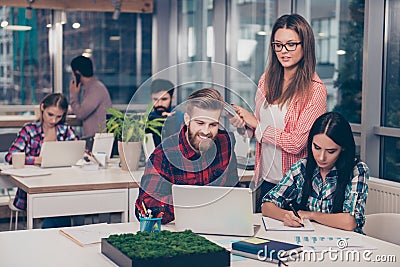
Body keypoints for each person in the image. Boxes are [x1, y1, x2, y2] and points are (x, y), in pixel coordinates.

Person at [232, 14, 327, 212]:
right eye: (278, 45)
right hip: (265, 180)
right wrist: (245, 126)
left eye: (291, 44)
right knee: (261, 239)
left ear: (305, 45)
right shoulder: (266, 80)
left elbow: (297, 143)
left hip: (295, 185)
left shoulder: (315, 90)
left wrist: (257, 125)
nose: (283, 51)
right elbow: (261, 132)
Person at [136, 88, 239, 224]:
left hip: (219, 225)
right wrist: (191, 200)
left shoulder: (225, 143)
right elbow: (144, 208)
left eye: (213, 124)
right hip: (180, 232)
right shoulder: (164, 153)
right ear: (187, 119)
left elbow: (234, 191)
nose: (206, 131)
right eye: (200, 123)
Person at [262, 112, 369, 233]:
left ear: (343, 148)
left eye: (331, 151)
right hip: (309, 241)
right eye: (317, 147)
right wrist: (286, 216)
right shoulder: (302, 167)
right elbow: (267, 206)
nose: (321, 157)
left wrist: (311, 215)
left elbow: (350, 222)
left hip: (345, 244)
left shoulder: (357, 170)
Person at [5, 93, 79, 228]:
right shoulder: (29, 130)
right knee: (60, 210)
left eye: (59, 116)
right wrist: (37, 160)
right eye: (50, 114)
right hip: (34, 189)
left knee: (65, 205)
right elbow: (11, 156)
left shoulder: (65, 130)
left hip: (61, 186)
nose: (53, 120)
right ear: (42, 108)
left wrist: (84, 156)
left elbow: (78, 152)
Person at [69, 55, 112, 138]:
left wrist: (73, 94)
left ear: (77, 73)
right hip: (94, 138)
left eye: (72, 73)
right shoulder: (89, 87)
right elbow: (84, 108)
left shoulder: (96, 89)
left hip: (98, 140)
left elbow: (81, 113)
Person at [146, 79, 184, 147]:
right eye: (155, 99)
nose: (159, 103)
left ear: (172, 98)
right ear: (151, 98)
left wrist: (170, 122)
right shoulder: (147, 119)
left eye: (164, 99)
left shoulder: (182, 118)